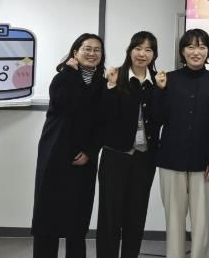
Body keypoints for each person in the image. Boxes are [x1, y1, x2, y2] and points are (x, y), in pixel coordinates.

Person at [153, 28, 209, 258]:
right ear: (182, 51)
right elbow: (158, 118)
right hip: (171, 159)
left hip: (204, 164)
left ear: (208, 52)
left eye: (202, 47)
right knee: (173, 219)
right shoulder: (169, 79)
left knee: (201, 220)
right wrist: (159, 90)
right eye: (191, 47)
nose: (196, 52)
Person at [32, 33, 106, 258]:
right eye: (87, 49)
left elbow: (103, 123)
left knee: (77, 219)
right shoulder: (63, 77)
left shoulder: (103, 84)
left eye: (97, 50)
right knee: (48, 218)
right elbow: (63, 104)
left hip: (84, 158)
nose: (92, 53)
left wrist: (90, 152)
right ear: (75, 52)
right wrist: (69, 71)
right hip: (55, 154)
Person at [96, 31, 161, 258]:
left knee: (136, 215)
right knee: (110, 215)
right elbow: (104, 117)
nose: (142, 54)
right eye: (138, 48)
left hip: (144, 158)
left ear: (154, 55)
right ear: (130, 50)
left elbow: (162, 117)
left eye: (148, 50)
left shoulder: (157, 82)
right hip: (115, 155)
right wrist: (111, 87)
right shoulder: (116, 76)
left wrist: (162, 91)